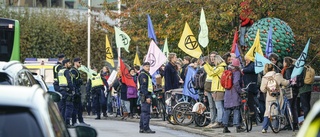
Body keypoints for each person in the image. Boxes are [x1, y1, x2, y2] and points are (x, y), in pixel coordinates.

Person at [260, 63, 289, 133]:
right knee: (276, 111)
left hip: (269, 97)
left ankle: (264, 128)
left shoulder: (264, 78)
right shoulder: (277, 75)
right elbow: (285, 83)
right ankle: (275, 127)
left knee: (267, 111)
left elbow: (262, 89)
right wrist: (289, 81)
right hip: (278, 96)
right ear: (273, 68)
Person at [222, 58, 245, 133]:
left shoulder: (228, 70)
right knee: (236, 109)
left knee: (227, 110)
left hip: (227, 92)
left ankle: (225, 127)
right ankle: (237, 126)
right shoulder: (236, 72)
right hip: (234, 92)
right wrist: (240, 90)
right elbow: (236, 82)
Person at [205, 54, 227, 128]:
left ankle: (219, 121)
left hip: (218, 89)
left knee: (219, 107)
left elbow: (211, 73)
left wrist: (205, 65)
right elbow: (211, 70)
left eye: (214, 60)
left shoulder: (220, 68)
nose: (213, 62)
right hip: (218, 89)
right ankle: (221, 120)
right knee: (220, 106)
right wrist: (206, 64)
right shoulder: (221, 67)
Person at [70, 57, 89, 126]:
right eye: (79, 62)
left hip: (77, 91)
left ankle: (80, 121)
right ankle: (75, 122)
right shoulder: (73, 71)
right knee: (75, 108)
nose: (80, 64)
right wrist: (80, 81)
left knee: (79, 107)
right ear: (75, 63)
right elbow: (73, 81)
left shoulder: (76, 70)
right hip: (75, 92)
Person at [281, 57, 299, 130]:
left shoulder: (287, 70)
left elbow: (288, 80)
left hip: (289, 90)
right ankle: (295, 123)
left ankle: (290, 123)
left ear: (286, 62)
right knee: (293, 107)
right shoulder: (294, 69)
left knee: (288, 107)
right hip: (295, 89)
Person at [138, 62, 156, 134]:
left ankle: (142, 127)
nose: (148, 68)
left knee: (143, 113)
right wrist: (147, 97)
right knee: (146, 113)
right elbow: (143, 87)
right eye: (146, 66)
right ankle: (146, 128)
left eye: (149, 66)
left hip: (145, 94)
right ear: (143, 67)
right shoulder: (143, 75)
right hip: (146, 95)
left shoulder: (146, 74)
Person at [203, 51, 218, 128]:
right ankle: (212, 121)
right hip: (208, 88)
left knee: (217, 106)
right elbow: (206, 78)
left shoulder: (217, 66)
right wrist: (205, 89)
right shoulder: (208, 66)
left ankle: (217, 121)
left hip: (215, 88)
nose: (212, 58)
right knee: (211, 106)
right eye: (211, 56)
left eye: (214, 56)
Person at [58, 59, 74, 127]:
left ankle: (62, 123)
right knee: (69, 107)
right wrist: (72, 89)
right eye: (69, 63)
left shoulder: (60, 71)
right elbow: (69, 81)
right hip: (67, 91)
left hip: (61, 90)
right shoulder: (66, 71)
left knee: (63, 107)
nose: (70, 64)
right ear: (65, 64)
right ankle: (67, 122)